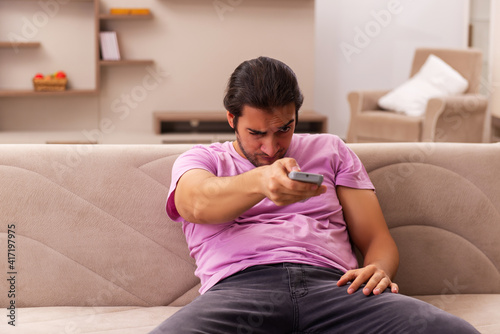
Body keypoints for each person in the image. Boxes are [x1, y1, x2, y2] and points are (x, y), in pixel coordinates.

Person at [150, 56, 478, 334]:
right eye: (256, 133)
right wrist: (261, 182)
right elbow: (195, 203)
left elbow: (377, 238)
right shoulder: (202, 160)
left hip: (336, 289)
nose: (271, 147)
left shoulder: (331, 149)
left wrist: (378, 267)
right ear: (232, 119)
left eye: (284, 129)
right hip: (238, 291)